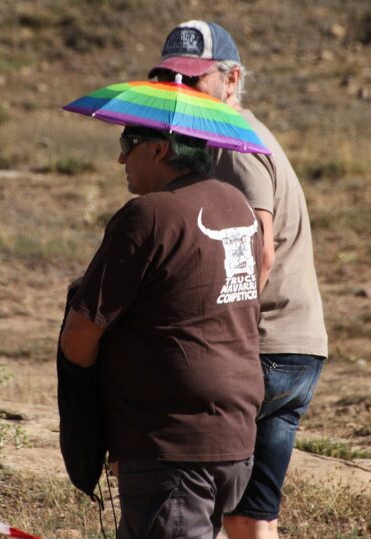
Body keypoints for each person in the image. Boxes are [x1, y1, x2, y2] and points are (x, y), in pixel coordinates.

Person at [148, 21, 328, 539]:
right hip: (295, 345)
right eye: (168, 79)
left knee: (194, 495)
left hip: (263, 348)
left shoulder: (229, 141)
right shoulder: (234, 133)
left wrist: (219, 336)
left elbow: (258, 251)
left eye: (192, 79)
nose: (178, 90)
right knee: (251, 517)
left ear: (232, 80)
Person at [60, 124, 265, 539]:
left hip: (170, 444)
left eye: (127, 145)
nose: (121, 158)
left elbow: (79, 335)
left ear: (159, 149)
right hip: (235, 434)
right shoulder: (238, 205)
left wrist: (93, 414)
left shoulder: (149, 214)